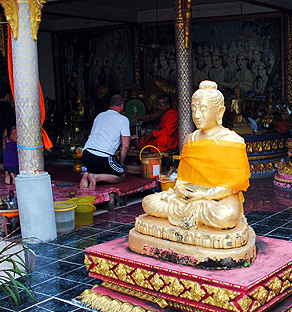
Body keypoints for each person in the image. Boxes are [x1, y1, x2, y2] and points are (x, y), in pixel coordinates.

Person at [141, 80, 250, 230]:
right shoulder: (190, 139)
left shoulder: (232, 140)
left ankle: (191, 213)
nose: (197, 115)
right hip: (189, 196)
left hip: (218, 198)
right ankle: (192, 214)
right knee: (148, 202)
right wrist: (181, 189)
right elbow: (184, 177)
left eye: (203, 109)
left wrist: (205, 195)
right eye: (193, 109)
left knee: (226, 215)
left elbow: (234, 185)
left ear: (220, 112)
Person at [80, 94, 130, 189]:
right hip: (103, 157)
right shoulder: (123, 119)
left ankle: (88, 175)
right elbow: (126, 145)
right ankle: (95, 177)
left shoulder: (100, 116)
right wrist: (121, 162)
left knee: (101, 168)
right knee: (121, 176)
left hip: (86, 154)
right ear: (122, 105)